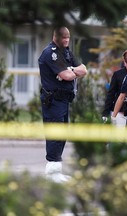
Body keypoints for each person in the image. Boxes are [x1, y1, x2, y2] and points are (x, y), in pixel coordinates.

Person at [38, 26, 87, 183]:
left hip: (64, 100)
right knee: (55, 133)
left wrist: (71, 69)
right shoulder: (51, 52)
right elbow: (66, 75)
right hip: (53, 100)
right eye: (63, 37)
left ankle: (56, 169)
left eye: (68, 37)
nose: (66, 40)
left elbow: (84, 70)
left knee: (62, 133)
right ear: (55, 37)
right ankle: (52, 171)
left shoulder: (65, 52)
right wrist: (71, 72)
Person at [102, 49, 127, 127]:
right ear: (125, 62)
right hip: (119, 111)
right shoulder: (118, 75)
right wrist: (105, 112)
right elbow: (111, 94)